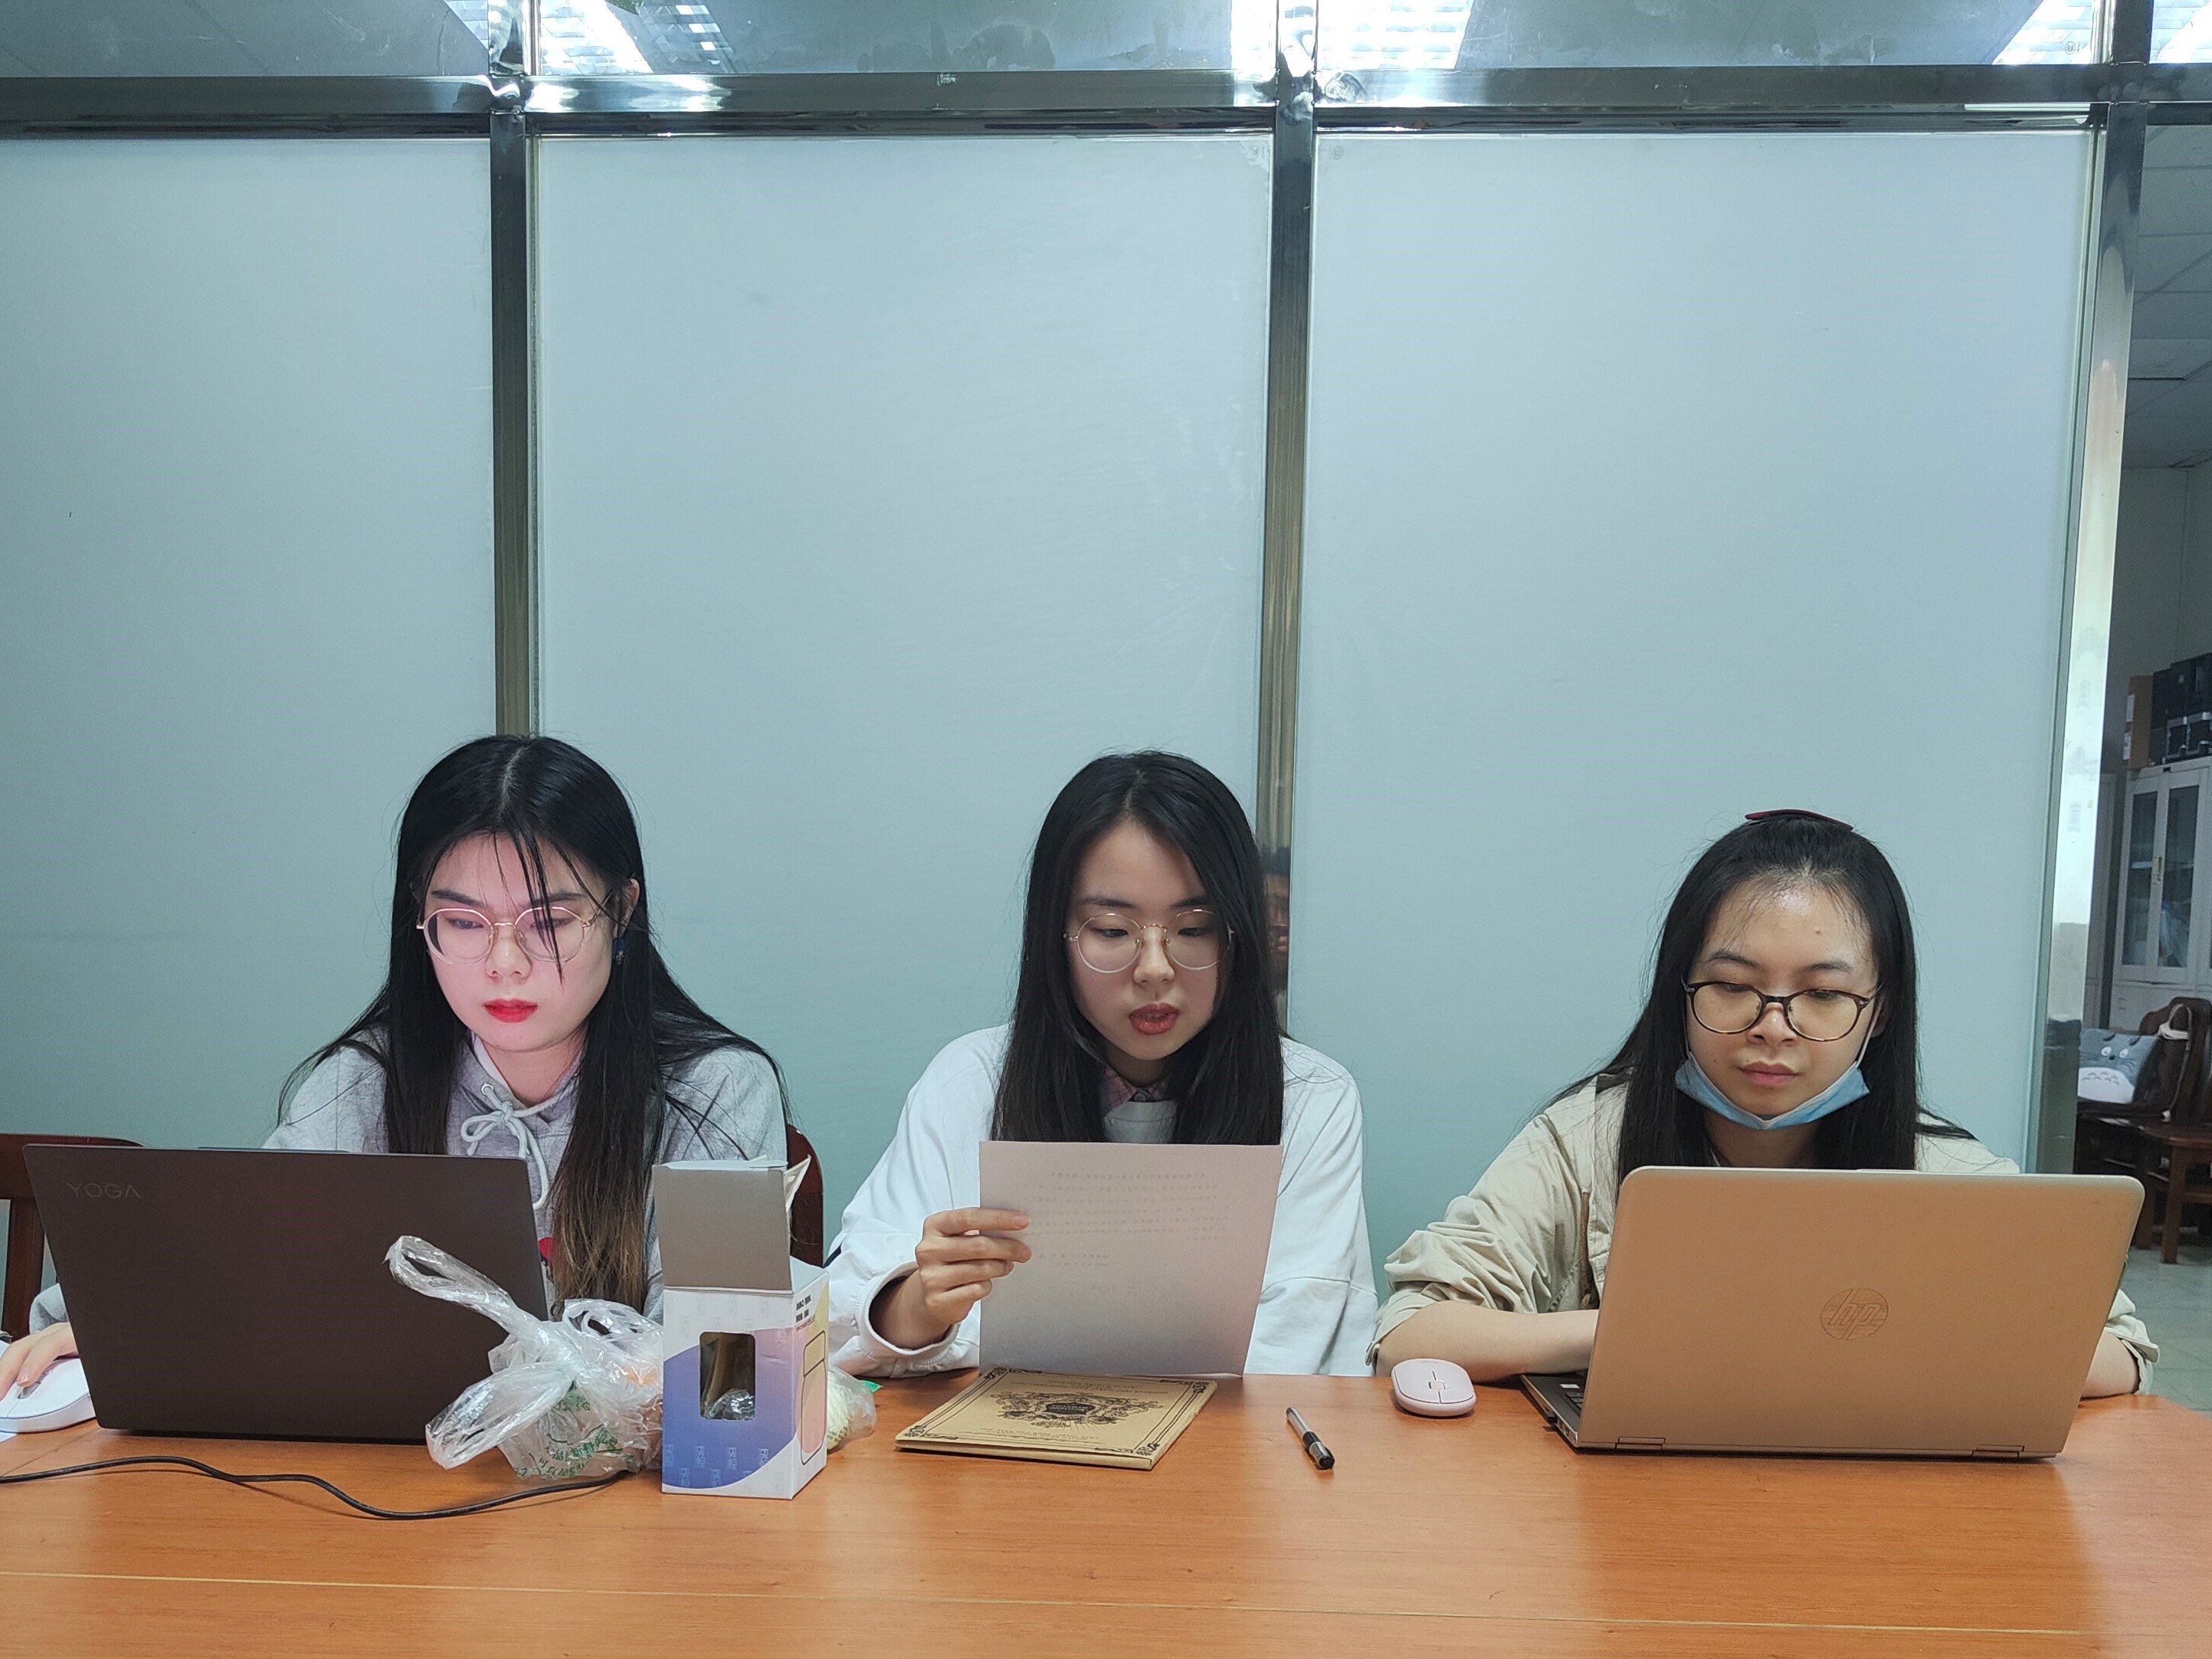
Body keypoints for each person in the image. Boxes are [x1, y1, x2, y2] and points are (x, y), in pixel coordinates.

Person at [0, 735, 786, 1395]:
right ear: (419, 918)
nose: (504, 963)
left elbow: (727, 1366)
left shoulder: (714, 1089)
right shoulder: (363, 1084)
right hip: (399, 1491)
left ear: (621, 910)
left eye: (547, 920)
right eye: (462, 921)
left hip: (627, 1503)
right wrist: (116, 1323)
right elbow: (240, 1260)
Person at [1373, 810, 2155, 1398]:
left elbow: (2118, 1351)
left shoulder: (1943, 1172)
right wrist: (1642, 1332)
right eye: (1732, 985)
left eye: (1822, 994)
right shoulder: (1584, 1141)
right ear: (1679, 990)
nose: (1771, 1028)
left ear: (1879, 1011)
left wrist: (1890, 1342)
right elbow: (1411, 1335)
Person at [831, 751, 1375, 1376]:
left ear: (1238, 936)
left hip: (1223, 1439)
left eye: (1194, 928)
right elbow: (846, 1309)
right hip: (1004, 1434)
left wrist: (994, 1341)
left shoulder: (1308, 1095)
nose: (1154, 969)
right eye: (1113, 930)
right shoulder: (971, 1082)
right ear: (1054, 934)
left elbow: (1297, 1340)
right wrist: (918, 1307)